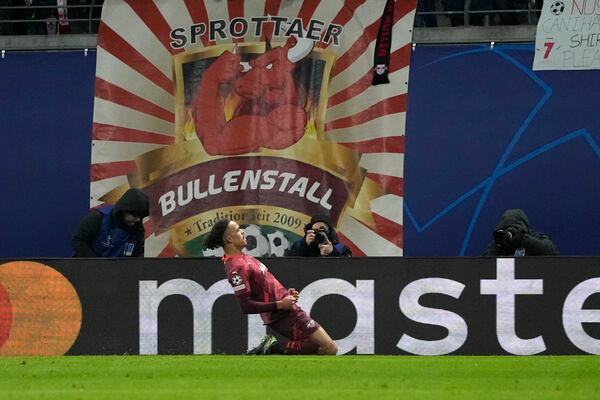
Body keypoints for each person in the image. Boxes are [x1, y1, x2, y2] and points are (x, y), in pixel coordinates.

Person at [204, 219, 338, 356]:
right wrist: (279, 304)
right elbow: (245, 306)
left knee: (320, 348)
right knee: (329, 348)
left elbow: (265, 286)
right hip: (282, 315)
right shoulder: (237, 267)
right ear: (229, 239)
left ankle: (274, 350)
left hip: (286, 310)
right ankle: (273, 348)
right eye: (238, 230)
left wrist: (286, 294)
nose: (243, 231)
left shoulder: (245, 258)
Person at [71, 188, 149, 257]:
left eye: (141, 216)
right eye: (135, 216)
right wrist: (95, 264)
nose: (138, 220)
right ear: (124, 210)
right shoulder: (98, 217)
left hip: (119, 271)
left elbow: (138, 257)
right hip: (87, 267)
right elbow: (78, 240)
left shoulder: (138, 230)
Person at [482, 208, 559, 256]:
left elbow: (552, 253)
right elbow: (484, 264)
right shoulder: (500, 242)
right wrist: (499, 245)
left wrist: (523, 239)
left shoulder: (535, 237)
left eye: (514, 227)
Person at [287, 214, 352, 257]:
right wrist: (304, 245)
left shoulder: (341, 248)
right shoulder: (298, 245)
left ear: (329, 231)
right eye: (315, 230)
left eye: (322, 229)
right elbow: (289, 264)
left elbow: (348, 268)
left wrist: (332, 253)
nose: (318, 233)